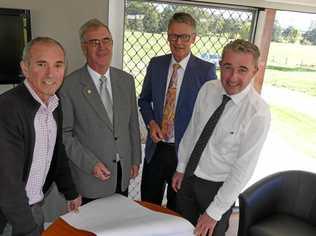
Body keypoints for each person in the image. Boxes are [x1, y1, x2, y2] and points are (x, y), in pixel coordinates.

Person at [172, 39, 271, 236]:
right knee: (181, 229)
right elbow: (192, 132)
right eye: (227, 67)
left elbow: (243, 170)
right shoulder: (208, 89)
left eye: (242, 69)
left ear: (255, 71)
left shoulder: (258, 113)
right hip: (189, 176)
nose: (233, 77)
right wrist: (181, 168)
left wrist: (214, 212)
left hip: (218, 188)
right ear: (220, 65)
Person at [0, 37, 81, 236]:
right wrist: (28, 229)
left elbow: (56, 149)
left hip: (34, 206)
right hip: (10, 215)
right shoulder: (8, 108)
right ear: (25, 68)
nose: (50, 74)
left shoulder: (54, 103)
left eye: (58, 65)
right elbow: (7, 182)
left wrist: (70, 191)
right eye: (41, 64)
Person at [138, 12, 217, 211]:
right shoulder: (156, 64)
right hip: (156, 149)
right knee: (148, 205)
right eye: (173, 36)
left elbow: (210, 115)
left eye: (185, 37)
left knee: (177, 208)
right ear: (167, 35)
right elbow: (144, 100)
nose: (178, 42)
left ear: (194, 38)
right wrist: (152, 123)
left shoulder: (206, 70)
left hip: (184, 154)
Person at [59, 18, 141, 205]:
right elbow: (65, 135)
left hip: (122, 173)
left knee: (118, 227)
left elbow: (132, 124)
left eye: (106, 41)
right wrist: (91, 164)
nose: (102, 47)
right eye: (94, 42)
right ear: (83, 47)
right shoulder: (68, 86)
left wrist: (135, 159)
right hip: (90, 176)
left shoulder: (126, 80)